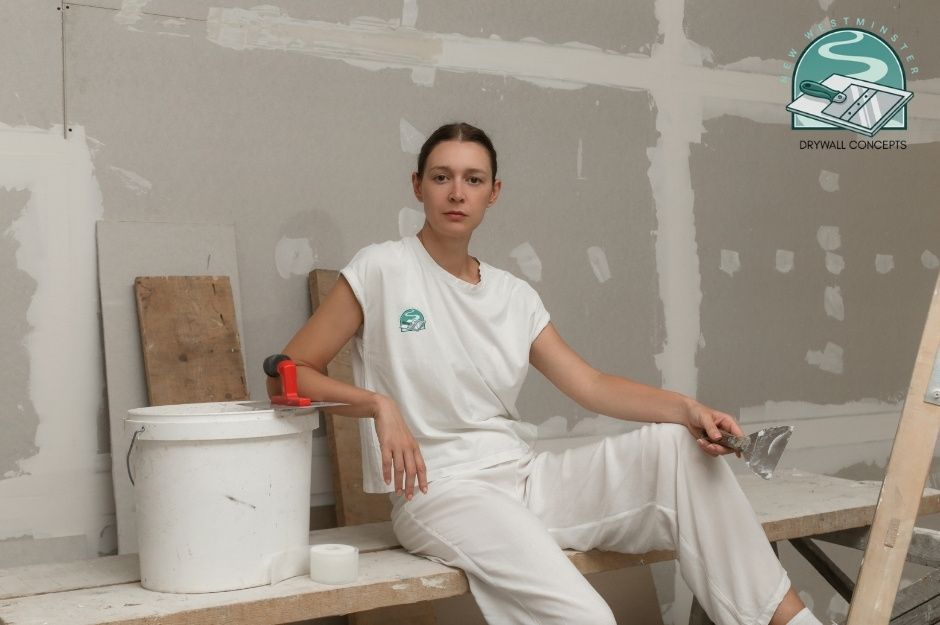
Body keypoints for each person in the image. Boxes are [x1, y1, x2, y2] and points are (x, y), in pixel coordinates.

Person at [272, 122, 822, 625]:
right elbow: (288, 375)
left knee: (677, 448)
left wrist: (688, 410)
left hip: (522, 479)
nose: (457, 192)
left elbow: (592, 385)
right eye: (442, 177)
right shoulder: (382, 269)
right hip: (440, 492)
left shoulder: (514, 295)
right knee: (586, 619)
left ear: (494, 192)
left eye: (473, 179)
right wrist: (378, 406)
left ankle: (789, 622)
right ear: (418, 186)